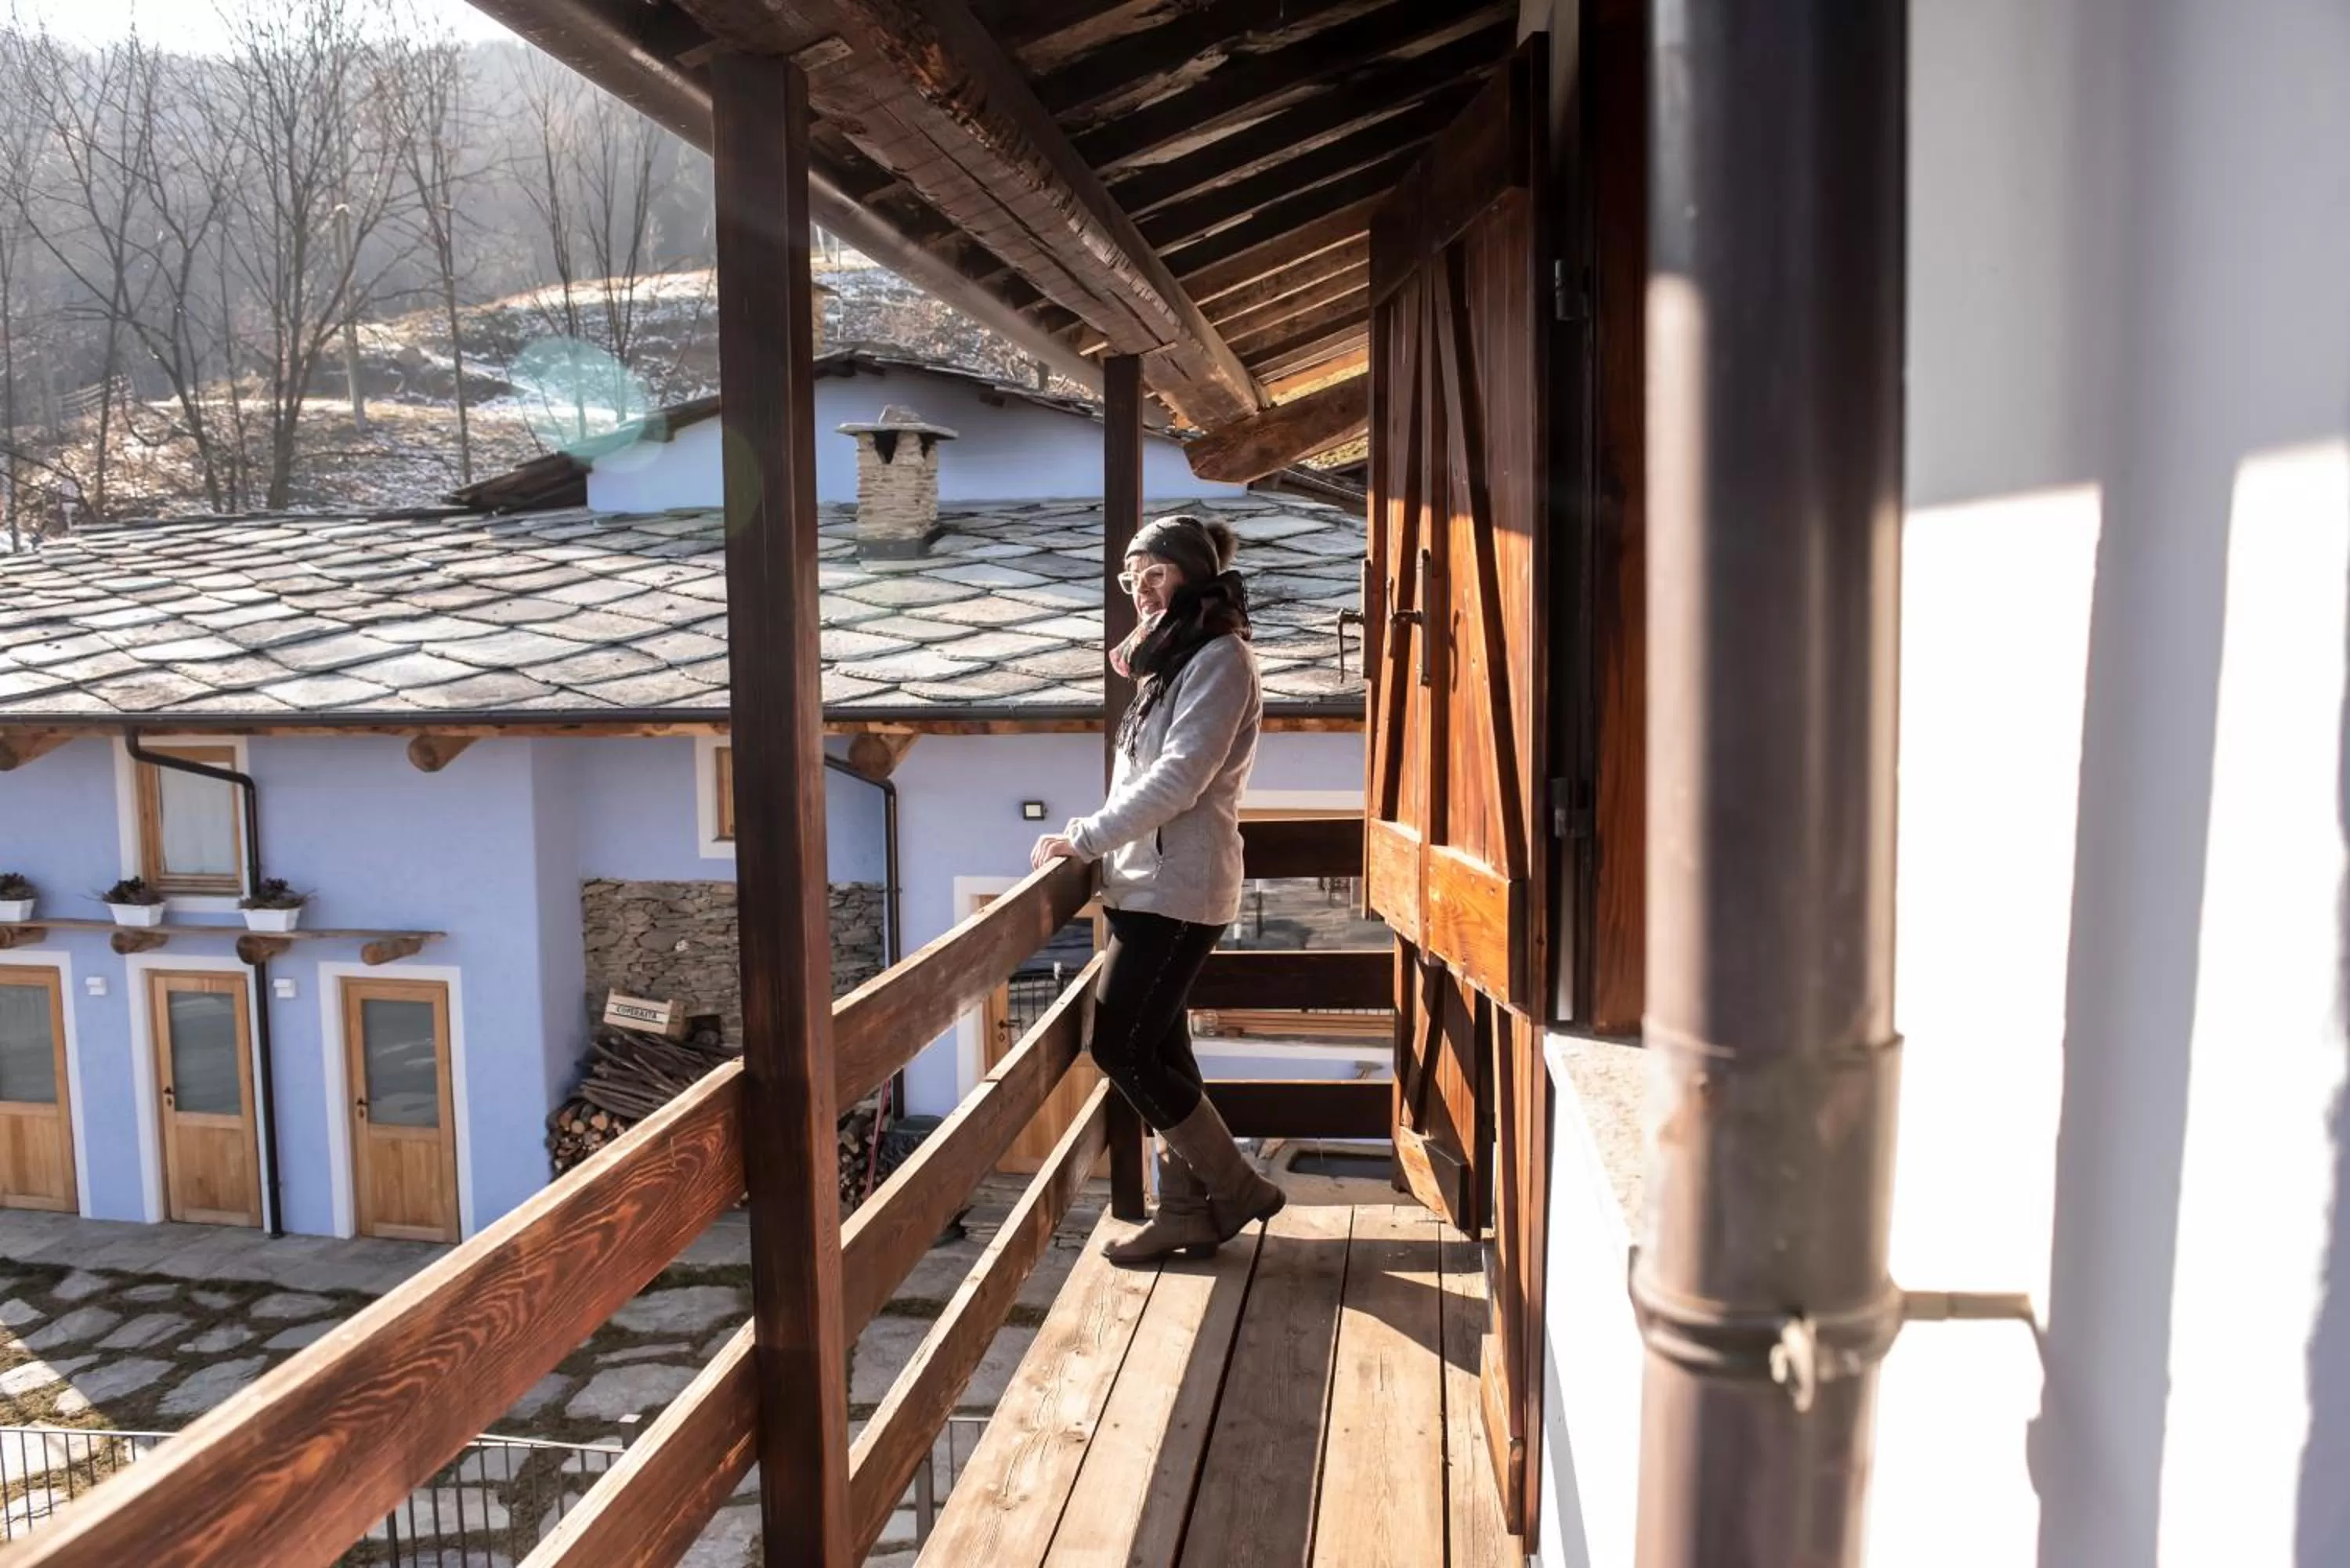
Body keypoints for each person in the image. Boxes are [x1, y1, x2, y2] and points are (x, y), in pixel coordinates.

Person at [1029, 512, 1286, 1266]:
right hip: (1146, 884)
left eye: (1155, 574)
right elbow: (1145, 776)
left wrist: (1081, 838)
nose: (1140, 589)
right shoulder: (1171, 659)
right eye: (1130, 577)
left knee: (1121, 1045)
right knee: (1163, 1049)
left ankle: (1235, 1187)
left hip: (1180, 888)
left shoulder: (1220, 658)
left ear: (1191, 574)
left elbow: (1178, 780)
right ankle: (1186, 1214)